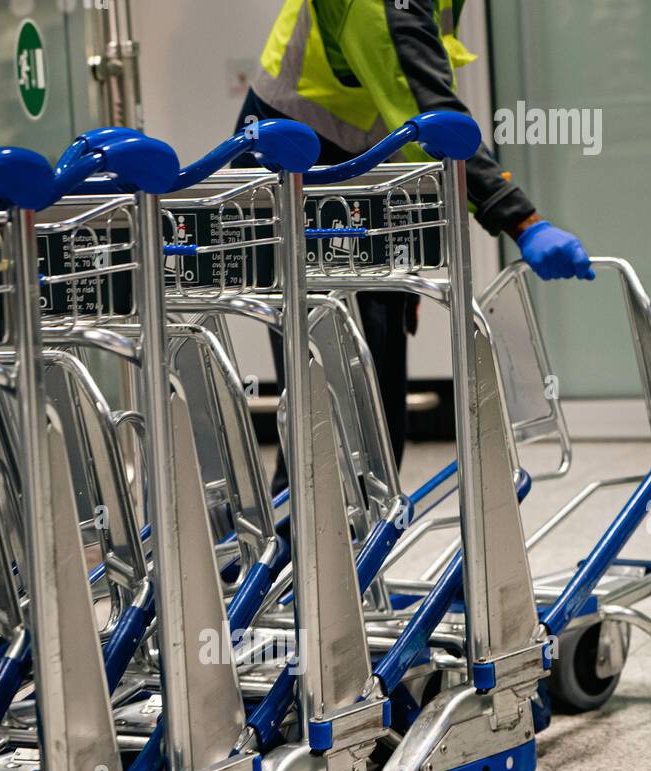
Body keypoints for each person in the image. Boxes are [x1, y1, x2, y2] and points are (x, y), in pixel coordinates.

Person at [236, 0, 593, 474]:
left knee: (374, 420)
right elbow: (429, 117)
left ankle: (348, 534)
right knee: (329, 418)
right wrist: (523, 221)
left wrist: (407, 242)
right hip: (293, 173)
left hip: (358, 174)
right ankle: (299, 541)